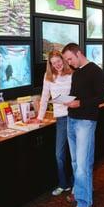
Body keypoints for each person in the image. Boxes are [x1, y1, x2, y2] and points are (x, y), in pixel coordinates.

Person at [62, 43, 104, 207]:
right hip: (71, 119)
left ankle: (83, 203)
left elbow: (102, 97)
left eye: (70, 59)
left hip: (85, 121)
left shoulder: (95, 71)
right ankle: (80, 190)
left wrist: (79, 103)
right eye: (66, 60)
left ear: (79, 53)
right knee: (75, 161)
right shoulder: (78, 71)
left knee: (82, 163)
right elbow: (77, 95)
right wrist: (68, 101)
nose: (69, 62)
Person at [34, 50, 73, 196]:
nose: (57, 65)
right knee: (59, 155)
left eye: (59, 61)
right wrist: (40, 117)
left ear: (63, 60)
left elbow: (79, 95)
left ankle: (76, 183)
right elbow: (44, 97)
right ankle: (64, 184)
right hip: (61, 118)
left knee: (75, 155)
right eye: (53, 63)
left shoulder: (71, 74)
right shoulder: (48, 76)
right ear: (50, 65)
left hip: (74, 116)